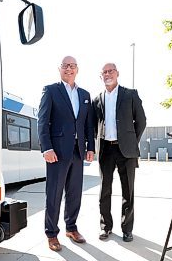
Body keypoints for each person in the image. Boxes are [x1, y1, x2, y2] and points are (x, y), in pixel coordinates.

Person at [37, 56, 95, 251]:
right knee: (53, 194)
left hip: (78, 152)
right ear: (59, 69)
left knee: (74, 193)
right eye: (65, 66)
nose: (69, 69)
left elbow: (88, 125)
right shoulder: (51, 90)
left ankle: (71, 228)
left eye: (72, 66)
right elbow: (42, 121)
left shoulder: (85, 95)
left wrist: (90, 147)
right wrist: (46, 147)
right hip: (57, 152)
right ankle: (51, 234)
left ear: (77, 69)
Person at [91, 63, 146, 242]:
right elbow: (94, 126)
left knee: (127, 191)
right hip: (106, 149)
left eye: (111, 71)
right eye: (104, 72)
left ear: (117, 73)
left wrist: (131, 141)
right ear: (101, 76)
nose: (108, 74)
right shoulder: (97, 99)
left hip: (126, 151)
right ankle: (105, 227)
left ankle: (127, 229)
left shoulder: (130, 94)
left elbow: (141, 121)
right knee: (104, 190)